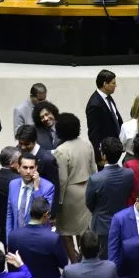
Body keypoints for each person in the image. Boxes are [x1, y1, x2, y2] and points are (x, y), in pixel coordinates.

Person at [54, 113, 98, 263]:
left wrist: (58, 202)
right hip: (87, 189)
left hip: (70, 195)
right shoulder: (87, 144)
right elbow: (94, 169)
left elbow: (62, 179)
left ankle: (74, 261)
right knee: (83, 229)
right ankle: (85, 257)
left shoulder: (61, 150)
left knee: (65, 232)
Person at [86, 137, 135, 258]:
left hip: (102, 225)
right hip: (123, 221)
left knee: (104, 257)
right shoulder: (129, 174)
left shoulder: (95, 179)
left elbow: (89, 203)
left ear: (103, 155)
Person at [8, 197, 68, 278]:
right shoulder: (53, 238)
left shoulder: (13, 236)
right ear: (46, 215)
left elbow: (12, 266)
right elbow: (64, 263)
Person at [6, 152, 55, 240]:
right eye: (25, 167)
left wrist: (36, 188)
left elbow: (42, 213)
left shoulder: (48, 187)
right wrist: (9, 238)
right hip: (17, 236)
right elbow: (10, 214)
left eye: (31, 168)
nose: (28, 171)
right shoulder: (13, 184)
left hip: (37, 238)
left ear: (36, 168)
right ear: (18, 168)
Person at [16, 125, 60, 215]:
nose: (23, 147)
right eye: (21, 144)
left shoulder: (48, 160)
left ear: (35, 141)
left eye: (27, 144)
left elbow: (55, 188)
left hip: (41, 209)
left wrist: (52, 214)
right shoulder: (19, 153)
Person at [86, 69, 123, 168]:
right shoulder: (94, 105)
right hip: (106, 155)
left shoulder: (108, 96)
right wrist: (99, 158)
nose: (116, 85)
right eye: (113, 83)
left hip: (115, 149)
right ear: (105, 84)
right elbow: (94, 134)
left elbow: (116, 118)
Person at [0, 146, 21, 246]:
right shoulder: (19, 180)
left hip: (4, 228)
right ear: (12, 163)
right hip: (19, 229)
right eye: (19, 161)